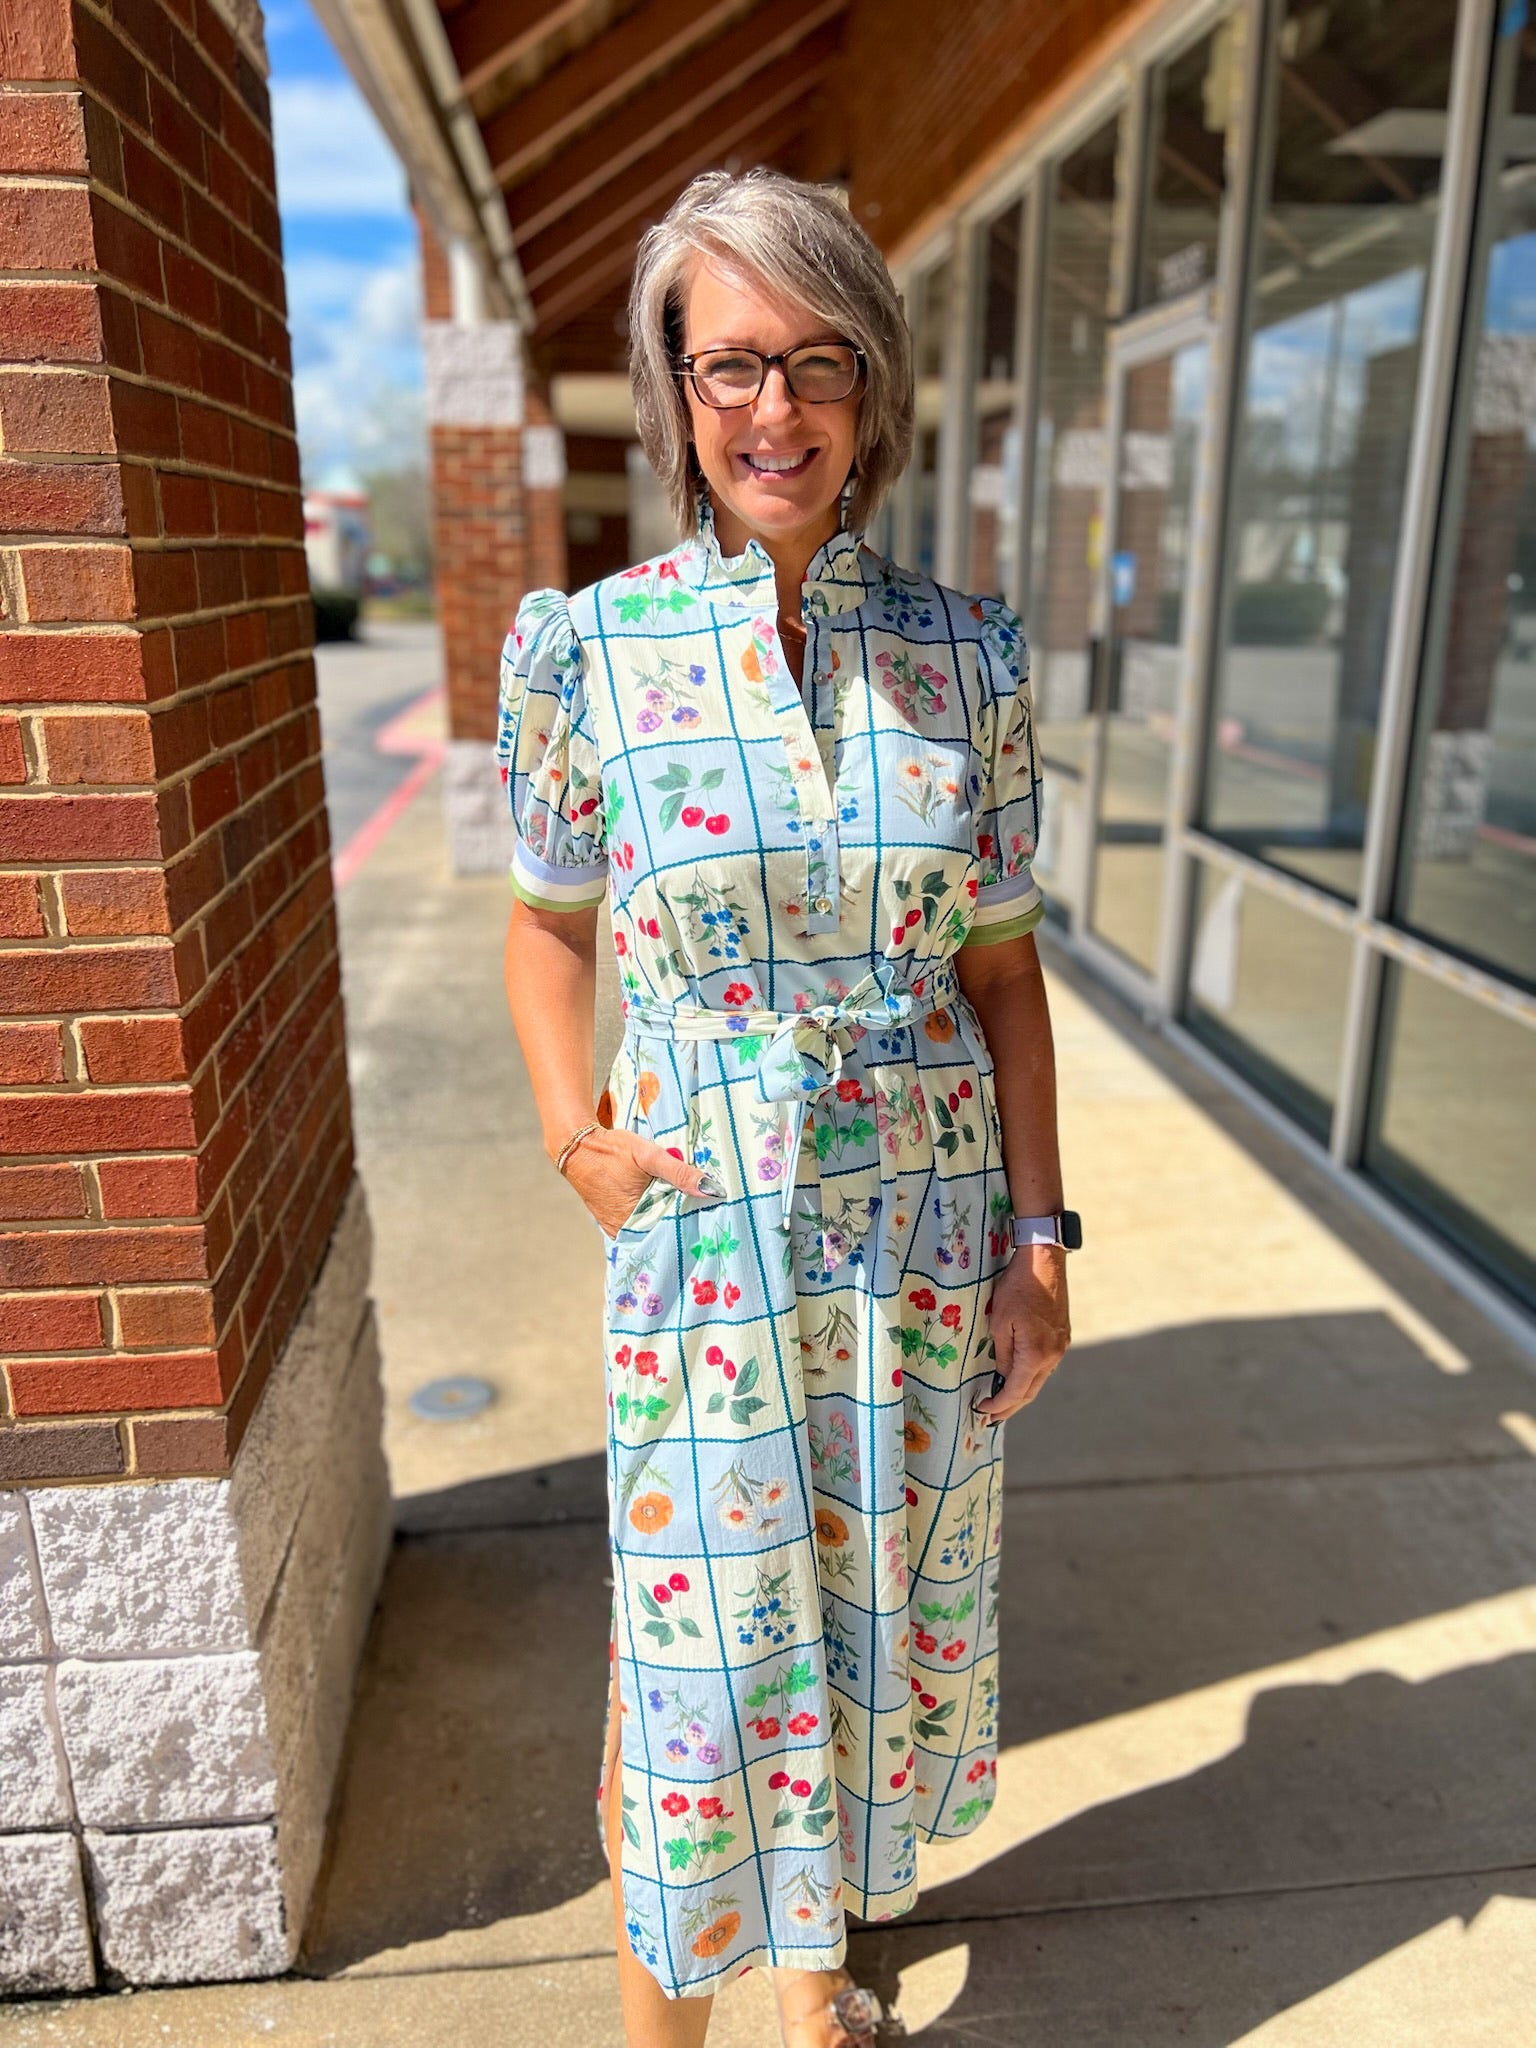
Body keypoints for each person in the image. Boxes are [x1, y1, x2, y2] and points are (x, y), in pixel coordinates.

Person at [498, 167, 1074, 2048]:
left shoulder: (970, 656)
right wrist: (578, 1141)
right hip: (707, 1243)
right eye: (730, 363)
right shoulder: (592, 653)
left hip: (924, 1244)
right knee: (696, 1678)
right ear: (674, 391)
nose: (775, 406)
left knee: (868, 1634)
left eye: (819, 359)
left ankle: (815, 2002)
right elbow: (545, 929)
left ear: (871, 384)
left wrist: (1040, 1244)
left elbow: (1003, 975)